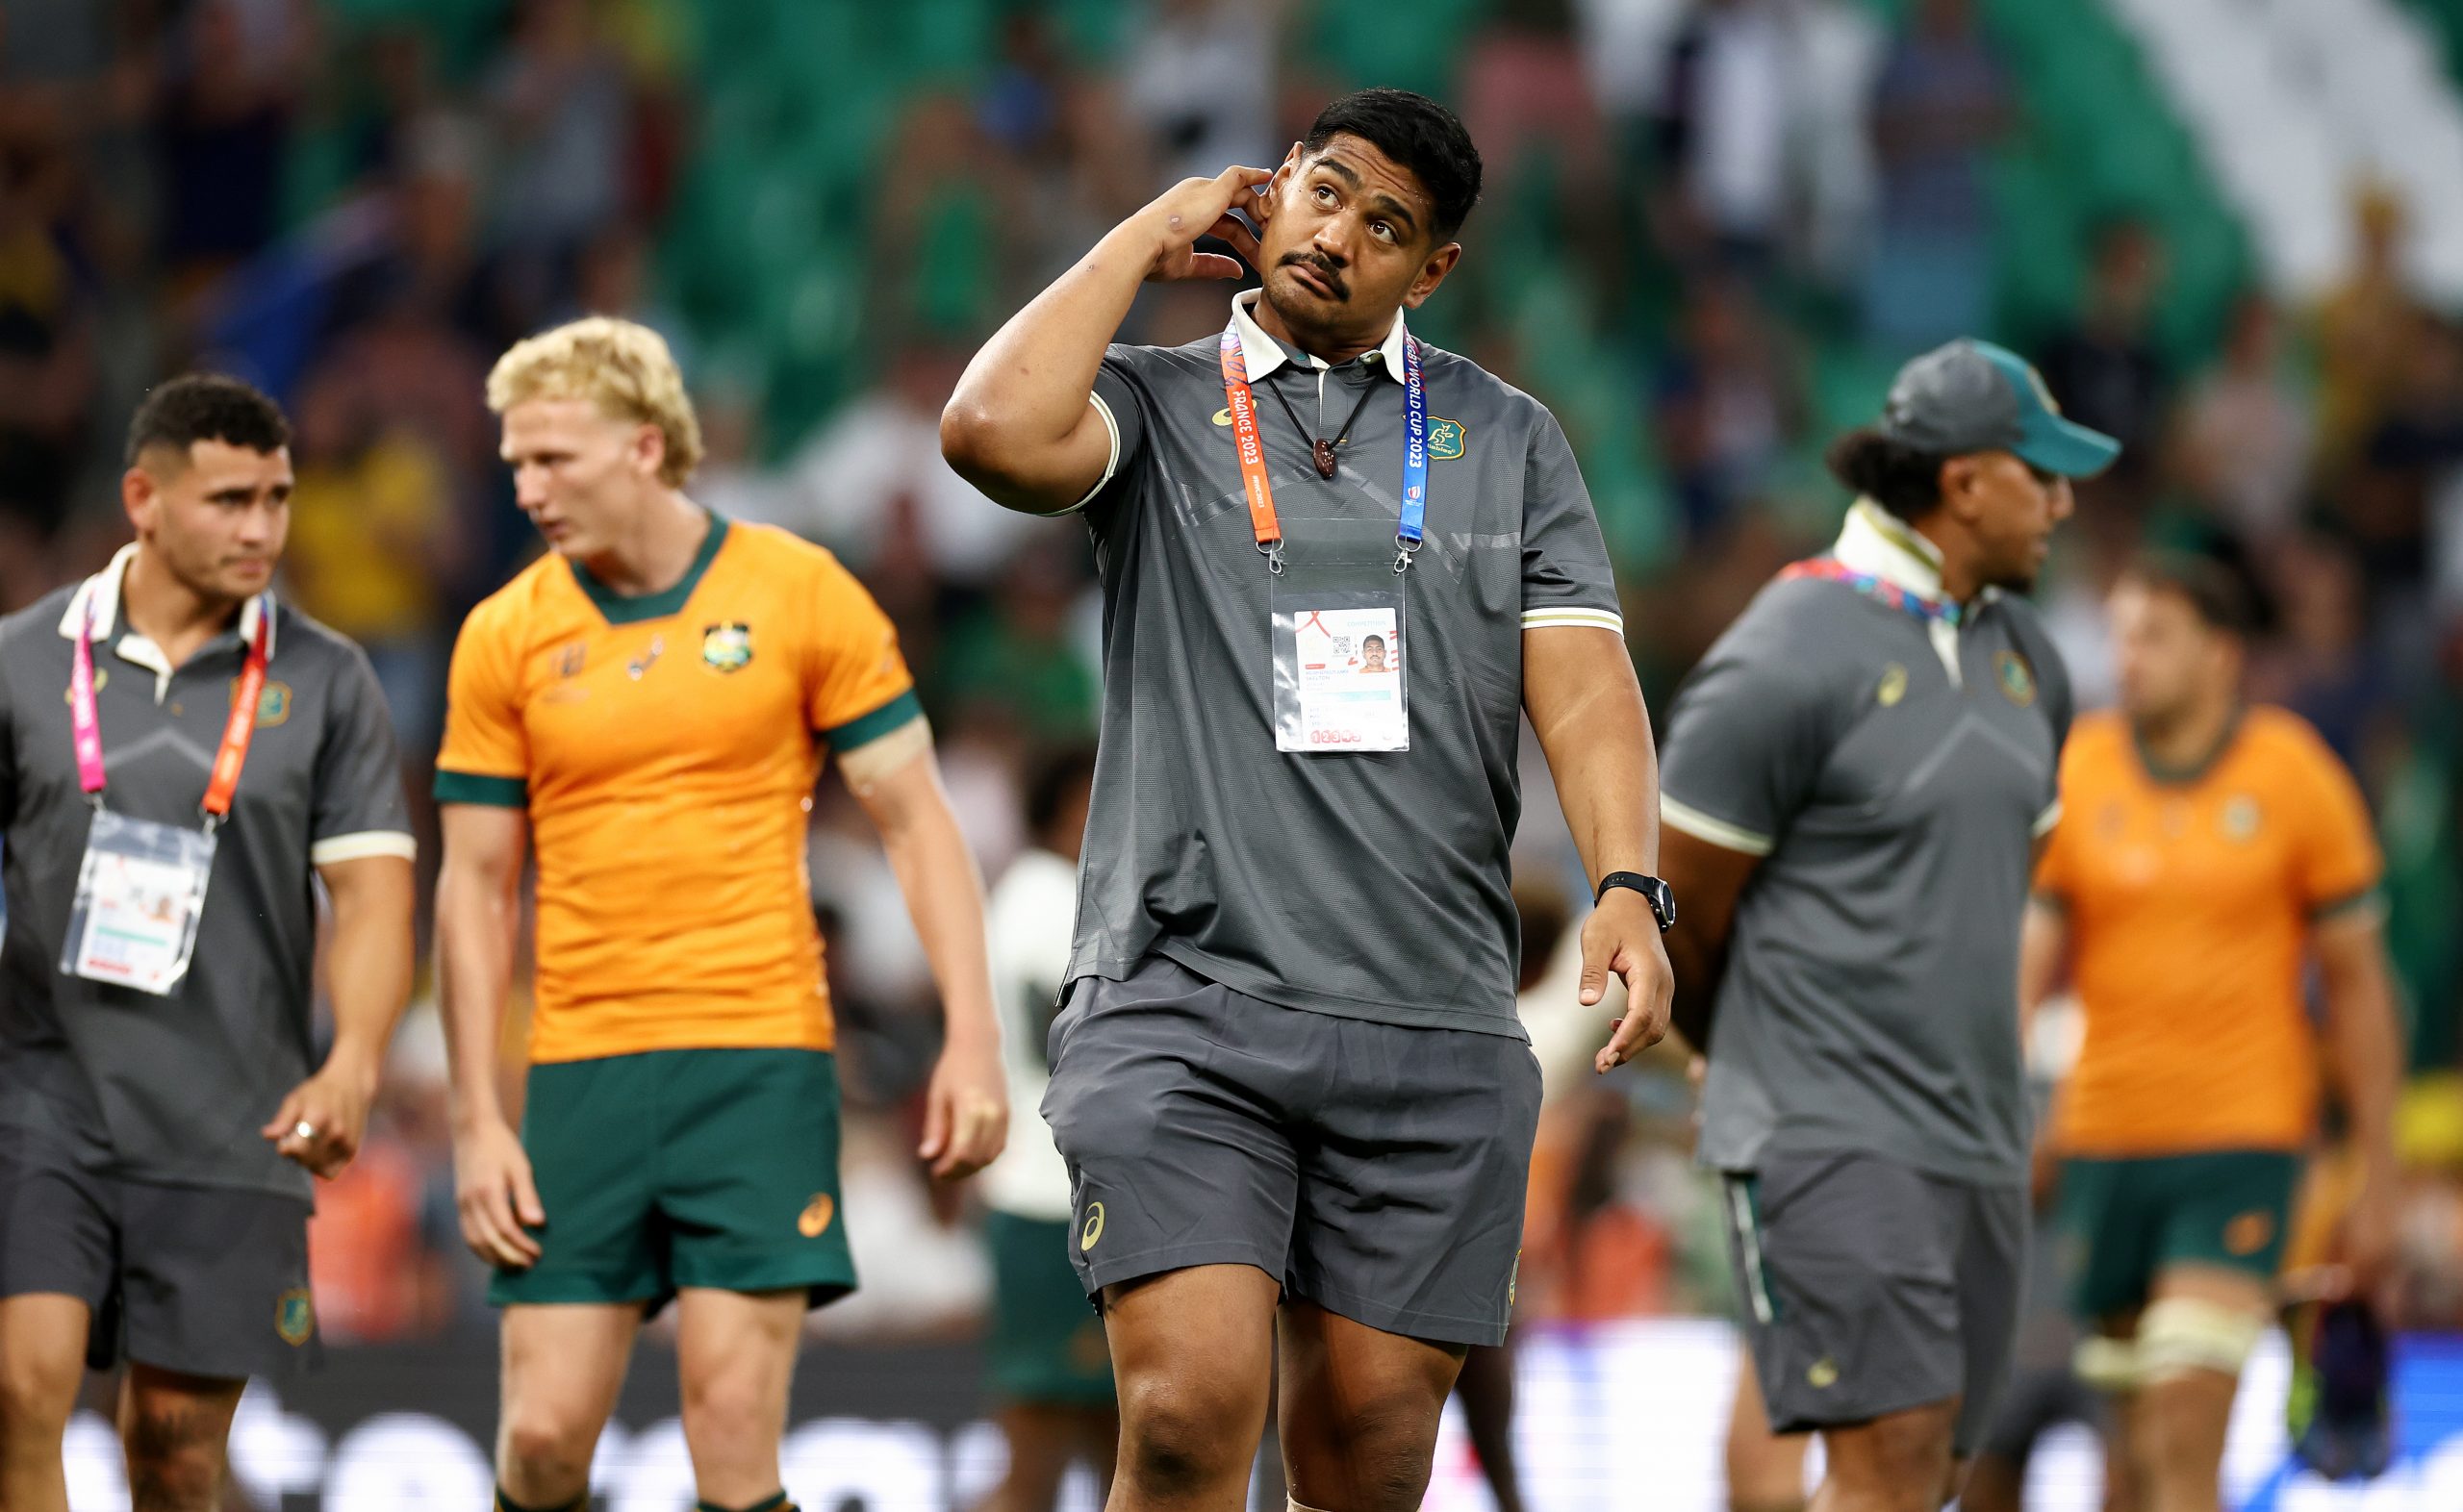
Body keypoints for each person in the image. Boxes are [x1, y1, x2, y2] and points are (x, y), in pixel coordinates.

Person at [941, 88, 1676, 1512]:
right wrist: (1149, 230)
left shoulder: (1505, 438)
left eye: (1386, 226)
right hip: (1185, 1003)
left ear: (1433, 270)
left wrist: (1629, 884)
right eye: (1324, 193)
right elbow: (986, 432)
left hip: (1428, 1019)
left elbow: (1585, 685)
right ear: (1272, 187)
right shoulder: (1153, 405)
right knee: (1184, 1409)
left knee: (1370, 1450)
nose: (1339, 238)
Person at [432, 316, 1007, 1512]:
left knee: (733, 1433)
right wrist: (477, 1116)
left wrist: (972, 1034)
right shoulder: (506, 632)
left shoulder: (798, 592)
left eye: (556, 461)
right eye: (516, 467)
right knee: (540, 1444)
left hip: (755, 1061)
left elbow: (914, 820)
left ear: (646, 447)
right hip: (579, 1068)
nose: (529, 491)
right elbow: (475, 884)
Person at [1657, 338, 2115, 1512]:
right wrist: (1744, 1054)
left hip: (1978, 1139)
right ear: (1963, 483)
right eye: (2041, 474)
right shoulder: (1785, 652)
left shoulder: (2031, 664)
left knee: (1928, 1475)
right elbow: (1678, 919)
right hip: (1826, 1126)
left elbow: (1994, 897)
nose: (2065, 502)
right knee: (1891, 1455)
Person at [0, 374, 417, 1512]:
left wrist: (354, 1061)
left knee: (176, 1455)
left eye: (278, 500)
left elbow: (374, 893)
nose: (262, 528)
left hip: (235, 1115)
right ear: (143, 497)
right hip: (44, 1098)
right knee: (19, 1393)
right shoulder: (21, 663)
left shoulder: (328, 679)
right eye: (231, 500)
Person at [2024, 553, 2402, 1512]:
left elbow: (2360, 990)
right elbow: (2026, 962)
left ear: (2221, 655)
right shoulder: (2081, 768)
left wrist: (2377, 1174)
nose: (2128, 659)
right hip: (2101, 1148)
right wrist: (2007, 1113)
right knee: (2128, 1465)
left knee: (2183, 1422)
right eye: (2119, 636)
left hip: (2240, 1145)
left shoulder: (2294, 777)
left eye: (2154, 636)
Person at [975, 748, 1117, 1512]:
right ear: (1062, 807)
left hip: (1068, 1194)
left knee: (1117, 1441)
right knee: (1034, 1457)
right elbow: (1061, 1041)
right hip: (1045, 1199)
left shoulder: (1044, 893)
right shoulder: (1044, 896)